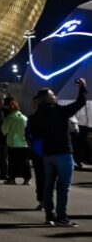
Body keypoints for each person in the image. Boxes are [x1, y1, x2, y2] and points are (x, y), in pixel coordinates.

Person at [27, 79, 87, 227]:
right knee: (63, 187)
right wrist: (83, 87)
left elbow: (34, 137)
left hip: (47, 155)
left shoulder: (35, 116)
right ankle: (61, 216)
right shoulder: (60, 111)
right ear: (48, 98)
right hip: (63, 153)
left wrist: (39, 154)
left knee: (49, 185)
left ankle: (49, 215)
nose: (55, 96)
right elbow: (80, 102)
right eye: (53, 94)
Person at [1, 99, 31, 185]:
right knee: (25, 162)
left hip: (13, 143)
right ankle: (26, 178)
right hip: (24, 143)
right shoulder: (24, 118)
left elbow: (4, 129)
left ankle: (12, 179)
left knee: (12, 162)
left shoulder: (10, 118)